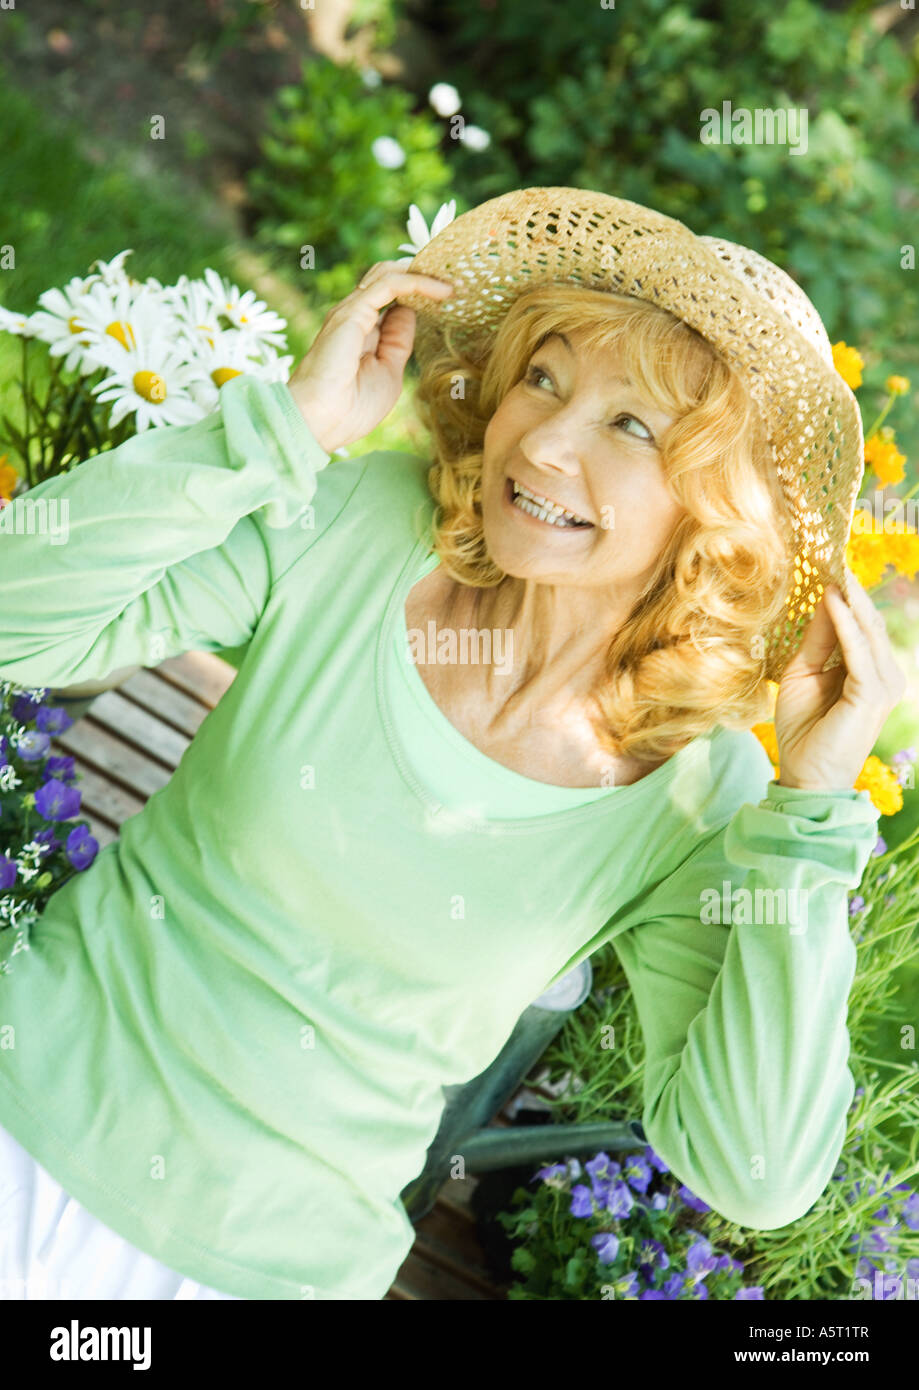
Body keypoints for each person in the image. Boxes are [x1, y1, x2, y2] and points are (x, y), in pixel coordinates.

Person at [0, 187, 906, 1301]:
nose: (546, 439)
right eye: (543, 377)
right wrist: (280, 432)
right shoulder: (369, 523)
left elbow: (752, 1172)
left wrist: (812, 819)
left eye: (631, 426)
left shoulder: (697, 793)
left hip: (265, 1270)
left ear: (713, 511)